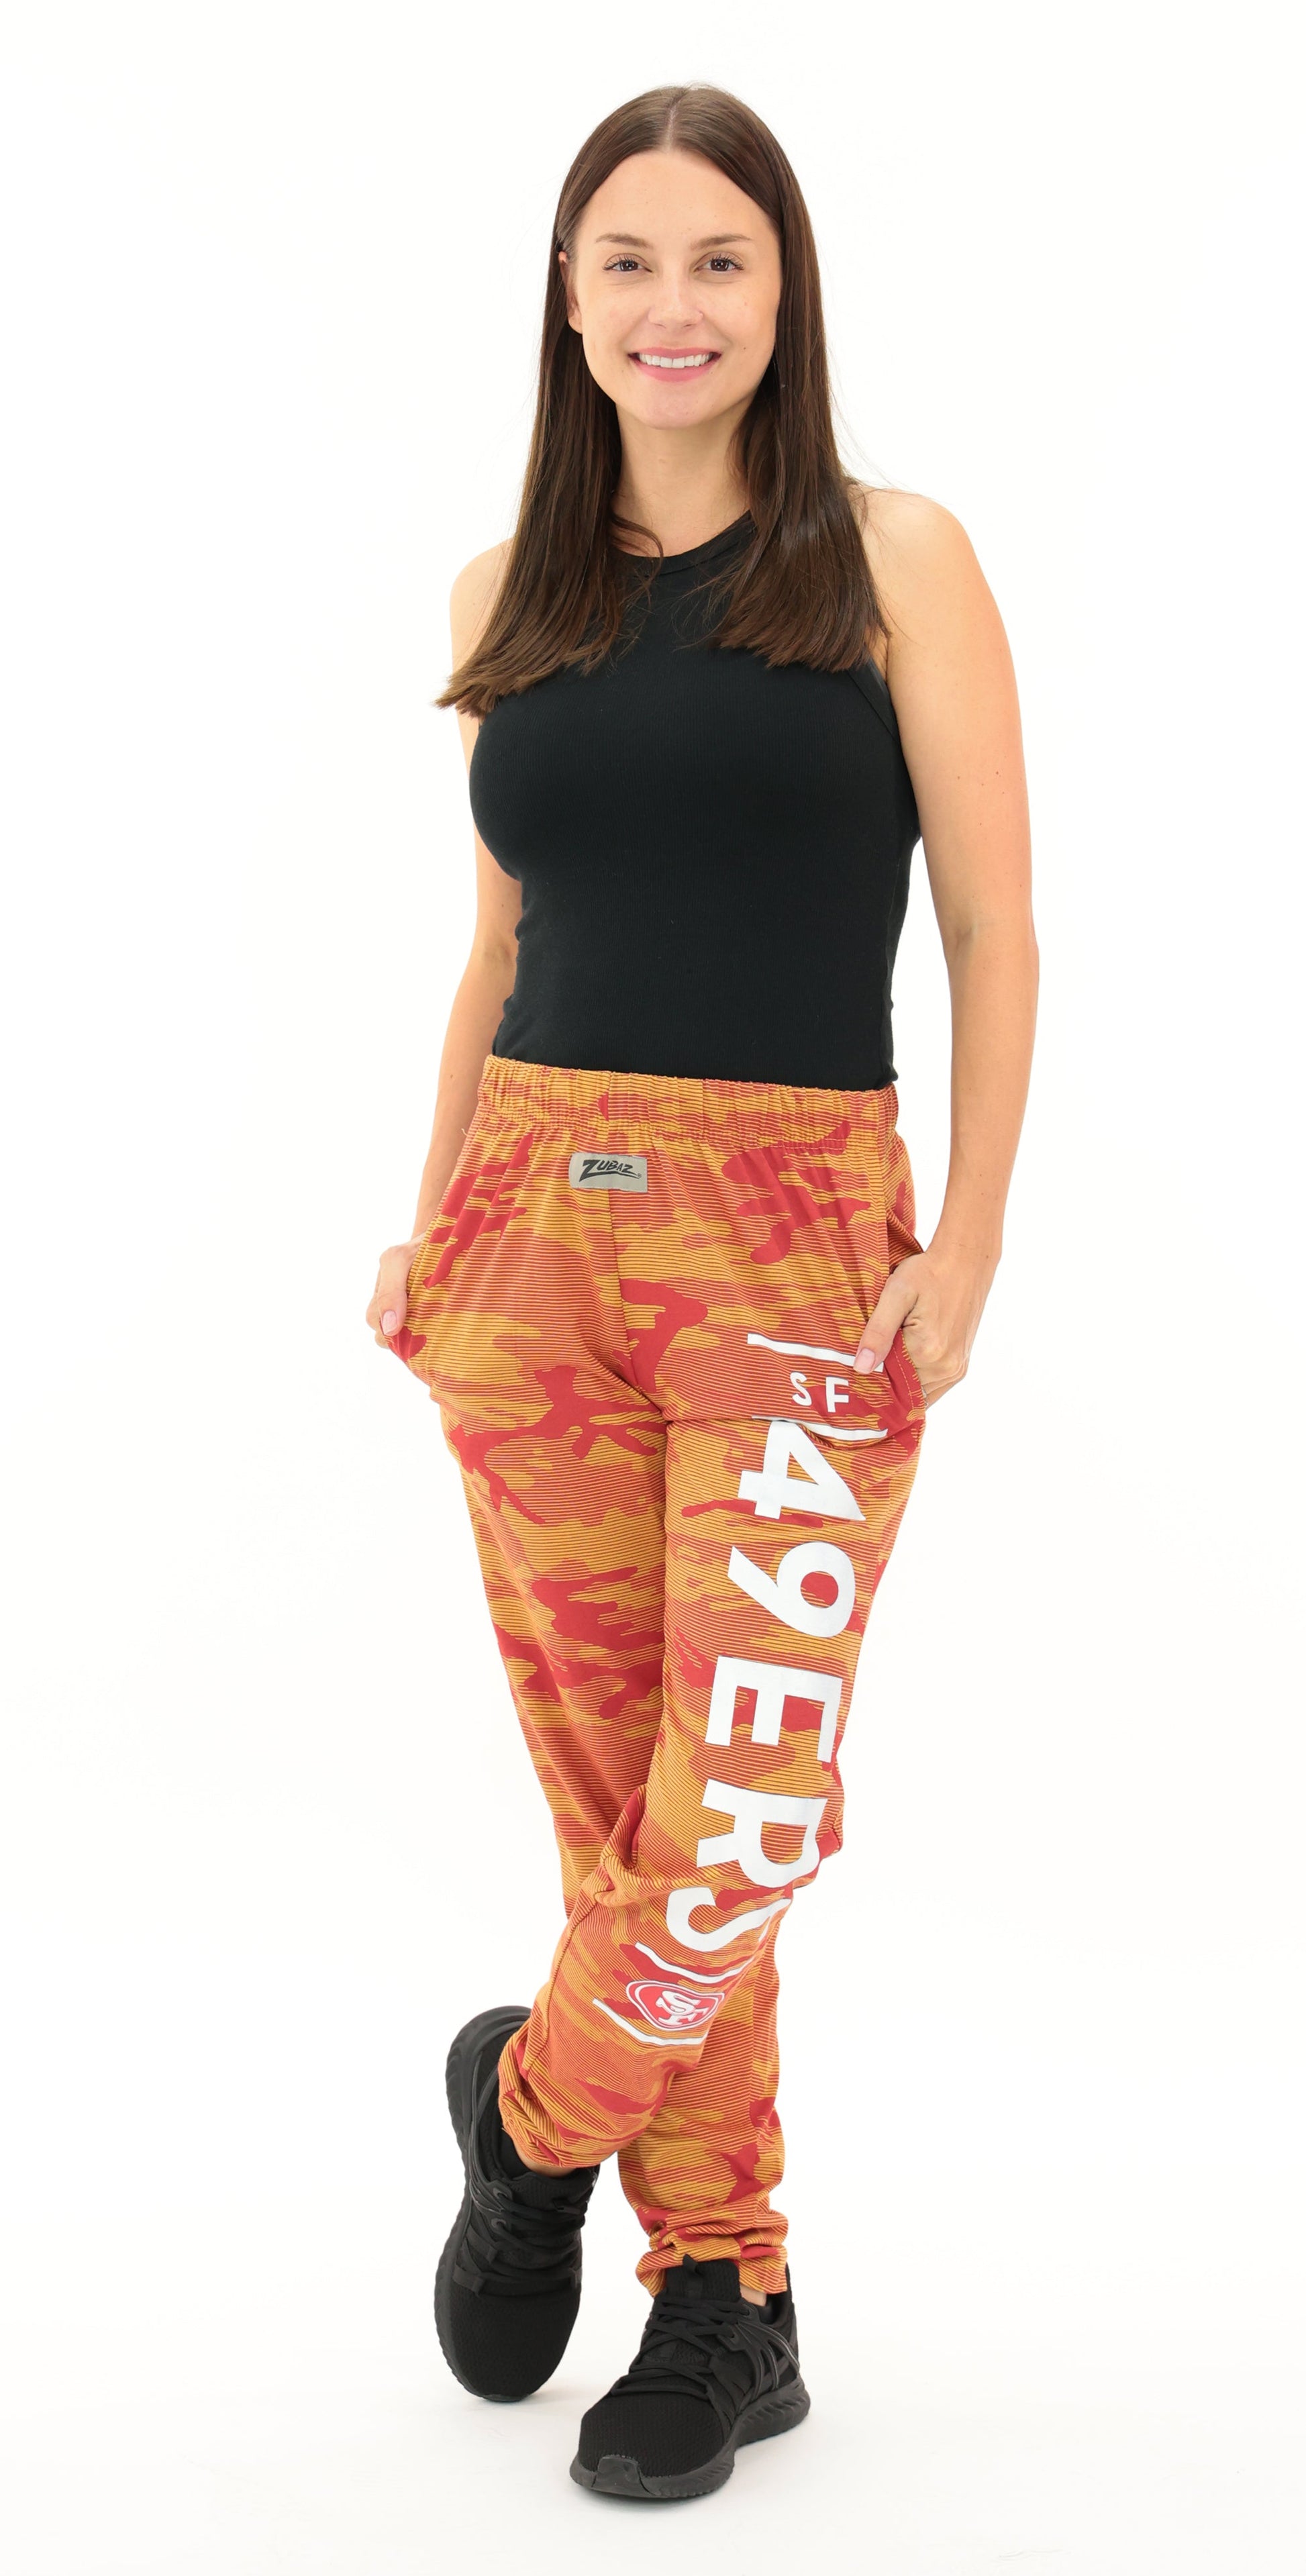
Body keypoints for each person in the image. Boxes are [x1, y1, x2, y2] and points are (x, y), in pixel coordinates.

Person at [366, 83, 1036, 2504]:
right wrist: (425, 1221)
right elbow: (498, 949)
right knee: (619, 1805)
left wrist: (962, 1247)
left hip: (794, 1248)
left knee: (735, 1805)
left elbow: (992, 928)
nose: (674, 305)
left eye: (718, 259)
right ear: (567, 302)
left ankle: (533, 2118)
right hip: (526, 1245)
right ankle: (724, 2291)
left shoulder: (888, 555)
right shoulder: (506, 597)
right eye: (627, 261)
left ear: (783, 293)